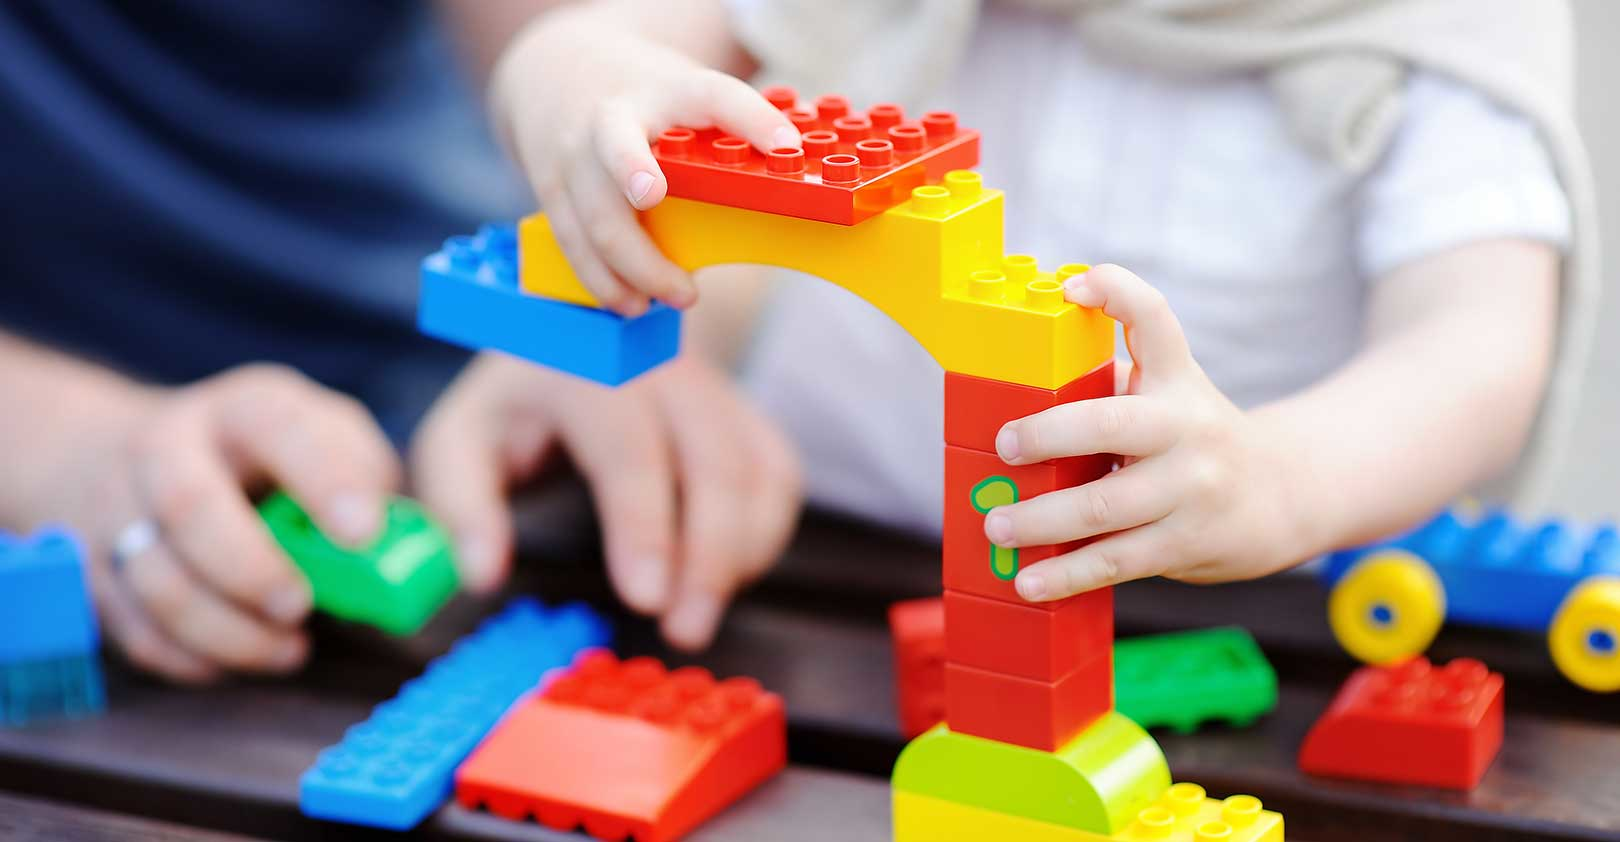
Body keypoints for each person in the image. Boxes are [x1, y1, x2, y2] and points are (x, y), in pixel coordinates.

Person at [487, 0, 1594, 604]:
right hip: (824, 561)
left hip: (1232, 603)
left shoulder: (1432, 26)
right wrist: (572, 77)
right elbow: (615, 40)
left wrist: (1280, 479)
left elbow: (1476, 343)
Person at [0, 0, 801, 685]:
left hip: (466, 367)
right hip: (103, 492)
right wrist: (69, 447)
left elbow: (608, 62)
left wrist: (631, 299)